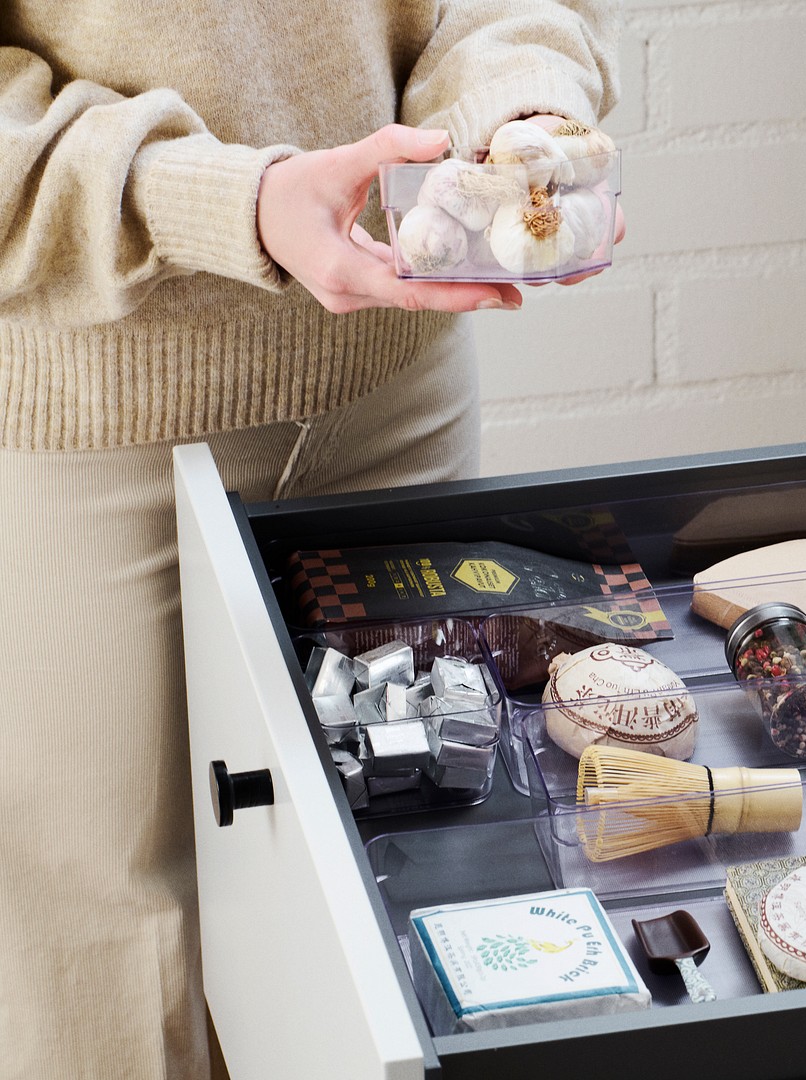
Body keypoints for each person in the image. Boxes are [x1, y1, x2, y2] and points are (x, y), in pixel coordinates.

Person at [0, 2, 620, 1077]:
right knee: (110, 951)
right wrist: (222, 200)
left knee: (425, 870)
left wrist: (519, 112)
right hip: (95, 427)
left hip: (398, 385)